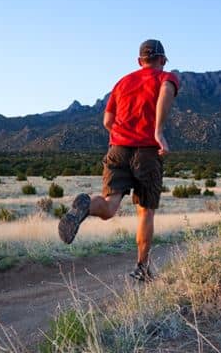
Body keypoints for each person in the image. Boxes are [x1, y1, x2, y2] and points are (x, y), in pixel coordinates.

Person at [58, 39, 180, 282]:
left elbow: (107, 121)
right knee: (145, 213)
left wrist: (119, 139)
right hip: (147, 153)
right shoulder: (166, 77)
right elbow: (166, 90)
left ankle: (85, 206)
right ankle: (142, 268)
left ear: (139, 61)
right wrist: (158, 131)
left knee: (109, 207)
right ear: (162, 60)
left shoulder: (122, 82)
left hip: (118, 149)